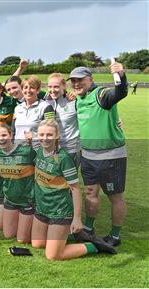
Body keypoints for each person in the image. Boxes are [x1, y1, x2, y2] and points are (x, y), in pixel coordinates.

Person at [31, 120, 117, 260]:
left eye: (49, 135)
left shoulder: (64, 159)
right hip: (42, 208)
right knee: (37, 244)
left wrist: (77, 219)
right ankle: (67, 236)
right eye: (41, 134)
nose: (45, 138)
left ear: (57, 136)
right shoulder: (39, 151)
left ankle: (94, 245)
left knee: (53, 255)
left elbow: (76, 189)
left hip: (60, 211)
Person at [70, 64, 129, 247]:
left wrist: (121, 75)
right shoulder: (78, 99)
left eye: (80, 79)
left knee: (115, 197)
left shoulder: (101, 95)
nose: (77, 83)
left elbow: (119, 93)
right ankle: (88, 228)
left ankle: (115, 235)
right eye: (73, 81)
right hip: (88, 156)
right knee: (90, 192)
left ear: (90, 80)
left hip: (110, 156)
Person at [0, 124, 35, 243]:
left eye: (4, 135)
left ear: (11, 135)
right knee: (8, 235)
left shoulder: (26, 151)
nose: (1, 138)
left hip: (28, 199)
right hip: (10, 199)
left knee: (22, 240)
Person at [45, 73, 80, 165]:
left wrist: (115, 121)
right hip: (51, 148)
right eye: (50, 86)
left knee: (69, 178)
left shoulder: (74, 102)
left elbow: (89, 117)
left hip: (71, 149)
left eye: (56, 87)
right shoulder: (45, 101)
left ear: (64, 86)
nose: (52, 90)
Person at [12, 76, 55, 148]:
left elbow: (52, 131)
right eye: (25, 88)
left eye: (32, 87)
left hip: (37, 151)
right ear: (22, 90)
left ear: (38, 90)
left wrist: (34, 136)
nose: (28, 90)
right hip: (18, 151)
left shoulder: (47, 107)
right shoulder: (17, 108)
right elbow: (13, 131)